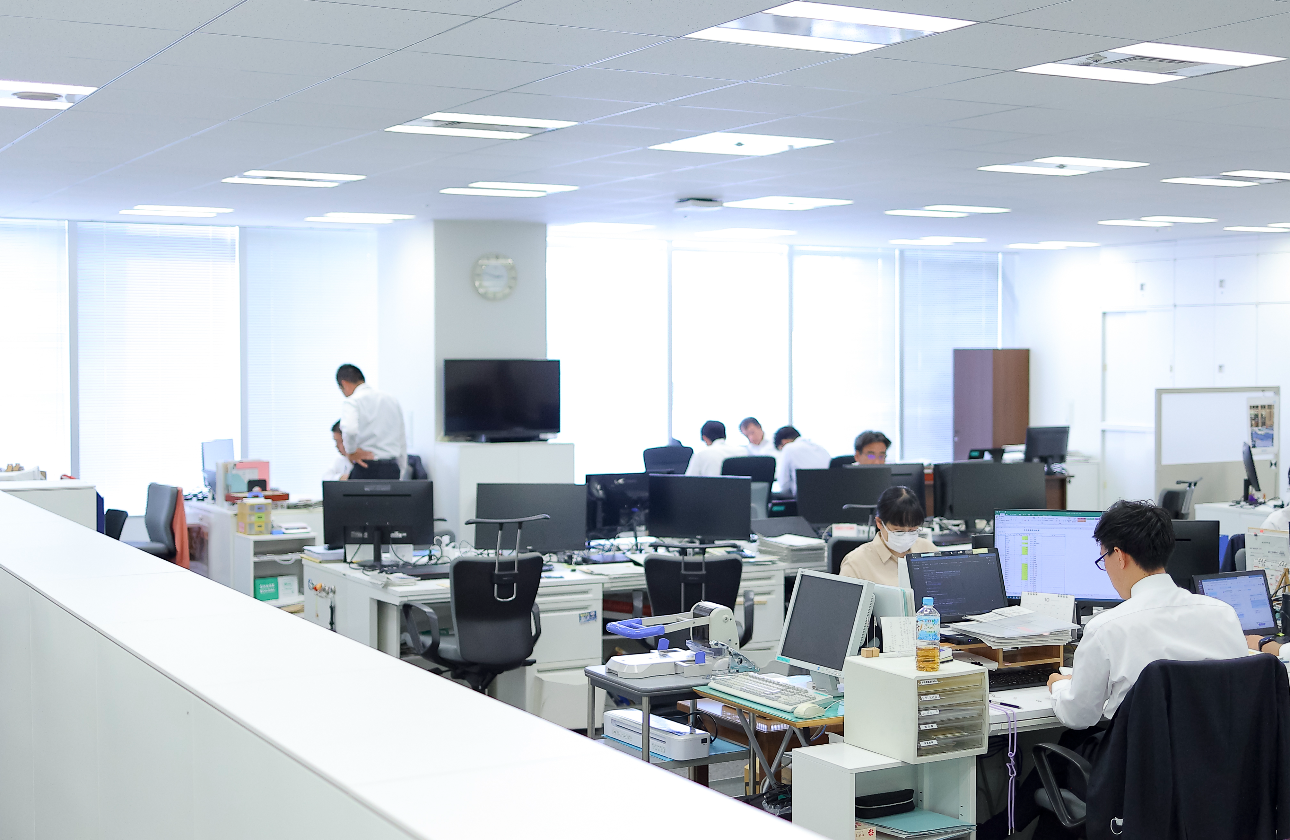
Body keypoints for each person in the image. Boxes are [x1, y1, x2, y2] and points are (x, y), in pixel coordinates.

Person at [979, 499, 1248, 840]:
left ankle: (995, 830)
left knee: (1072, 742)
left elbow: (1078, 715)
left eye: (1103, 558)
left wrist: (1060, 684)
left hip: (1141, 778)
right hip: (1216, 776)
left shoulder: (1109, 626)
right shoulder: (1224, 614)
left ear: (1118, 556)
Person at [839, 486, 935, 586]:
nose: (906, 536)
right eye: (898, 531)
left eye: (912, 530)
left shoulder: (928, 550)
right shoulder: (856, 563)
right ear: (879, 522)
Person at [336, 363, 407, 480]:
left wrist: (351, 452)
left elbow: (350, 430)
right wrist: (401, 470)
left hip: (366, 467)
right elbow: (402, 438)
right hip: (391, 468)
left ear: (344, 384)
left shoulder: (352, 401)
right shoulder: (391, 400)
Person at [773, 426, 830, 497]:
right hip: (828, 496)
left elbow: (784, 485)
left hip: (804, 498)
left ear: (784, 442)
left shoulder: (788, 448)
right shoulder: (821, 448)